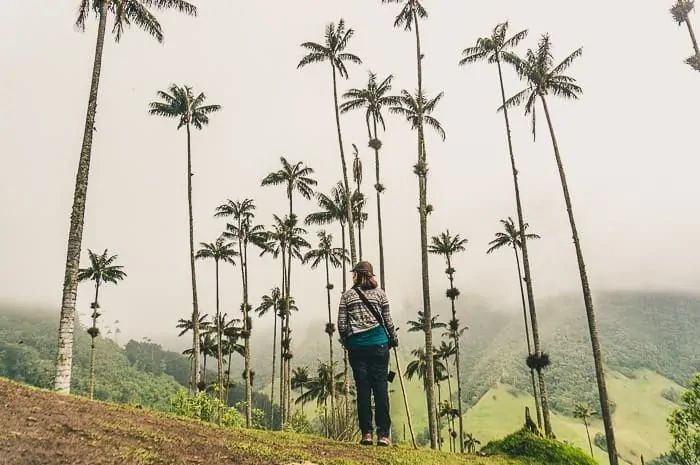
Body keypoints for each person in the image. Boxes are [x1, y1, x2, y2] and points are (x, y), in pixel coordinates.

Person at [337, 260, 399, 447]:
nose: (352, 276)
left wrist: (349, 343)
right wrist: (394, 339)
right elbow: (388, 320)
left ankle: (366, 434)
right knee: (380, 389)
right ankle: (384, 435)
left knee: (363, 390)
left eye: (354, 273)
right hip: (379, 346)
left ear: (358, 275)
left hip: (357, 347)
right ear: (370, 275)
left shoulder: (347, 296)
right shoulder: (380, 295)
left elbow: (341, 325)